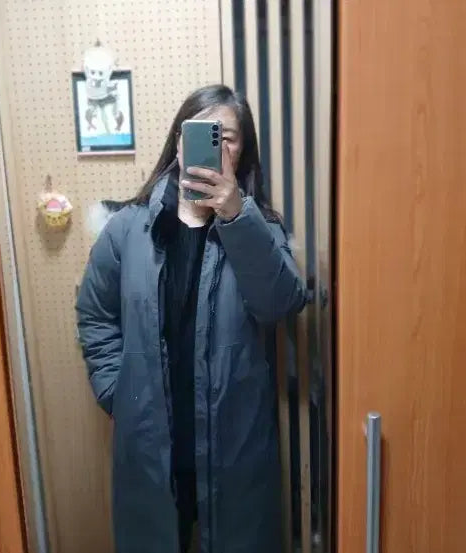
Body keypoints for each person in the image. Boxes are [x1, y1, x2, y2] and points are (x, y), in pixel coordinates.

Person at [76, 84, 308, 553]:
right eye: (203, 132)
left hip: (234, 441)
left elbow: (280, 302)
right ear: (179, 141)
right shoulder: (128, 229)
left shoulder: (261, 227)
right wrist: (117, 392)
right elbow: (95, 314)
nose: (215, 145)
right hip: (149, 436)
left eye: (228, 137)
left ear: (242, 152)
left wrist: (235, 213)